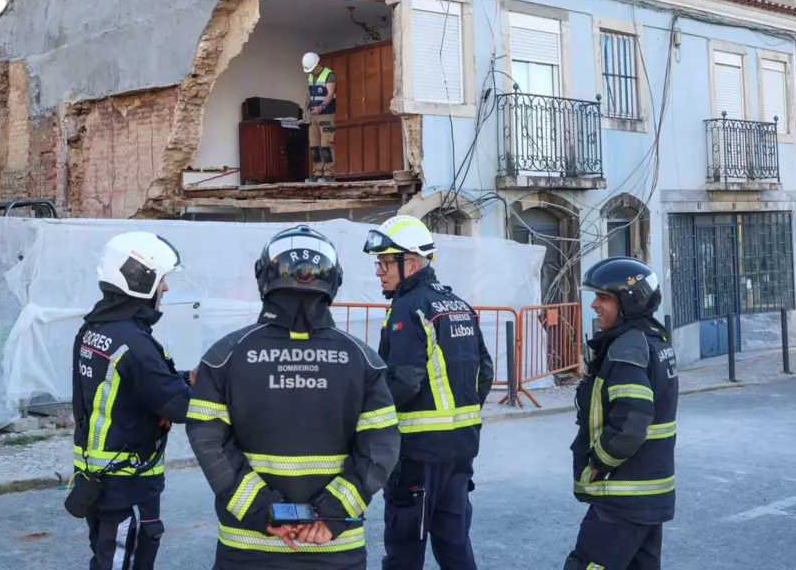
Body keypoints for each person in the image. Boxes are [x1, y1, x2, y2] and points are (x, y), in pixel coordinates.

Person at [187, 225, 401, 569]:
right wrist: (330, 514)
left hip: (248, 546)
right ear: (333, 281)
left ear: (264, 278)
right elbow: (381, 447)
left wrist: (263, 511)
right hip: (334, 546)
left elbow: (208, 442)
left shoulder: (223, 355)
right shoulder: (364, 359)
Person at [364, 215, 494, 570]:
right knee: (454, 546)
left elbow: (404, 381)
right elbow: (485, 374)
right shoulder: (458, 305)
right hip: (461, 450)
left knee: (405, 548)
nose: (379, 271)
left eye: (386, 262)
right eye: (379, 262)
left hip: (418, 455)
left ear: (413, 262)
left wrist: (364, 415)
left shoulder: (408, 308)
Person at [69, 231, 193, 570]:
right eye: (163, 279)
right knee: (126, 560)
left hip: (95, 478)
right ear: (142, 280)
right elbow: (178, 406)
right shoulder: (134, 344)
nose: (165, 288)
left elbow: (137, 386)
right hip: (129, 481)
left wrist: (182, 378)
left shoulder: (96, 329)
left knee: (106, 557)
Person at [564, 256, 679, 570]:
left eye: (603, 298)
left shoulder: (628, 349)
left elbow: (633, 421)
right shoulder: (653, 339)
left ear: (629, 302)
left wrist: (599, 462)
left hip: (622, 497)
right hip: (647, 494)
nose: (594, 306)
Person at [302, 51, 337, 182]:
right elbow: (309, 94)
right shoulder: (311, 77)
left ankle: (329, 173)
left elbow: (330, 94)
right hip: (313, 116)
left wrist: (321, 107)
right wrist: (305, 110)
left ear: (317, 63)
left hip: (326, 115)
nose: (310, 71)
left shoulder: (330, 75)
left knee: (326, 145)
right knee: (315, 146)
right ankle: (317, 173)